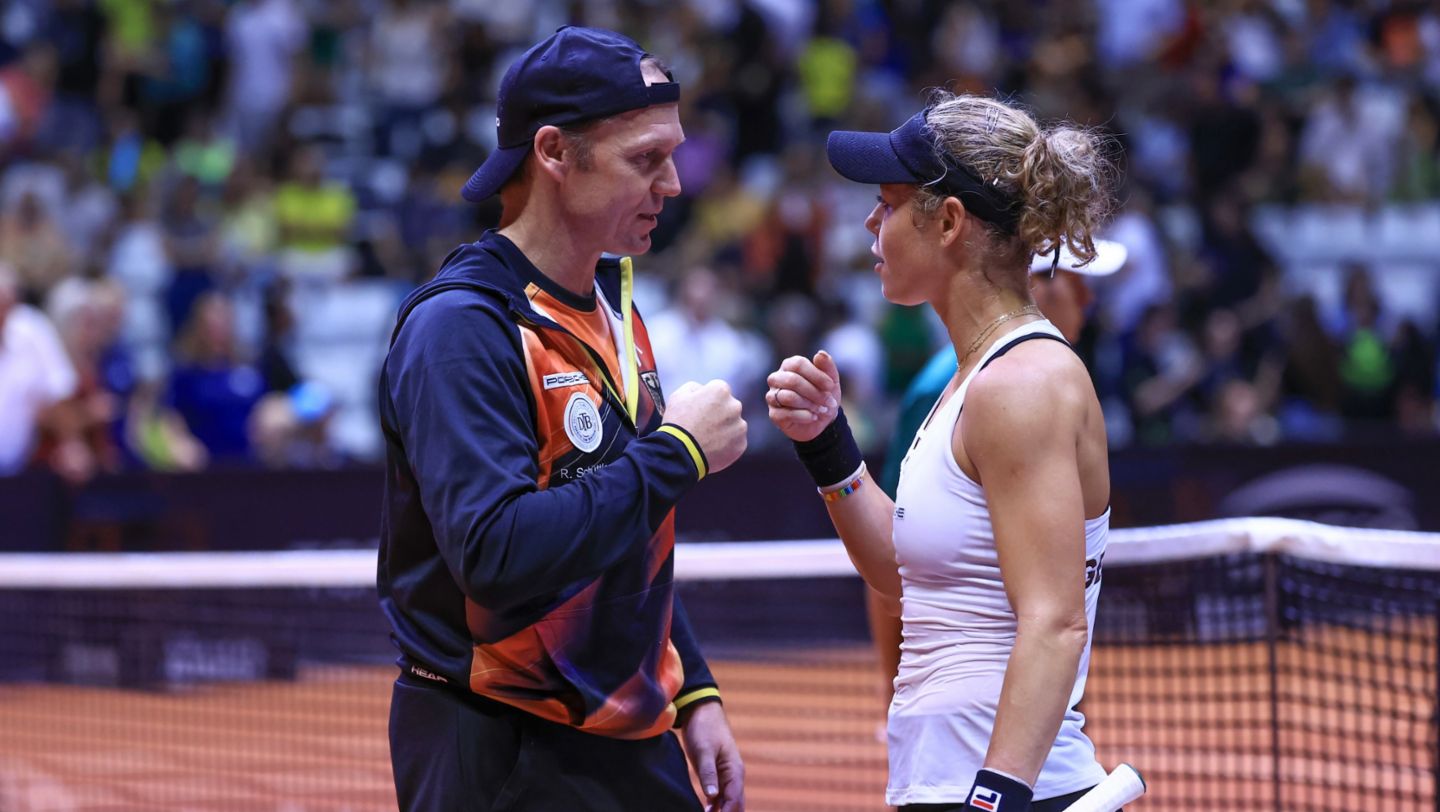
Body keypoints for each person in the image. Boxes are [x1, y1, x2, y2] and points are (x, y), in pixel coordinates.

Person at [378, 26, 747, 812]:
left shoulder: (617, 309)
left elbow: (624, 537)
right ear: (552, 152)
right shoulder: (463, 328)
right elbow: (497, 553)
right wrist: (679, 452)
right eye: (645, 159)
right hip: (499, 749)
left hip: (624, 739)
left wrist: (693, 688)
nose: (674, 184)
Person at [766, 93, 1117, 811]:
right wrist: (829, 447)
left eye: (889, 203)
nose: (870, 222)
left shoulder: (1023, 384)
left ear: (950, 222)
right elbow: (903, 577)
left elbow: (1054, 622)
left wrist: (994, 799)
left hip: (1007, 792)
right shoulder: (971, 381)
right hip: (950, 783)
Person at [867, 239, 1128, 717]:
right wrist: (895, 693)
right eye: (1078, 284)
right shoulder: (952, 389)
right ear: (1034, 284)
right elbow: (895, 552)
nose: (1089, 303)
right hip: (974, 713)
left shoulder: (1049, 372)